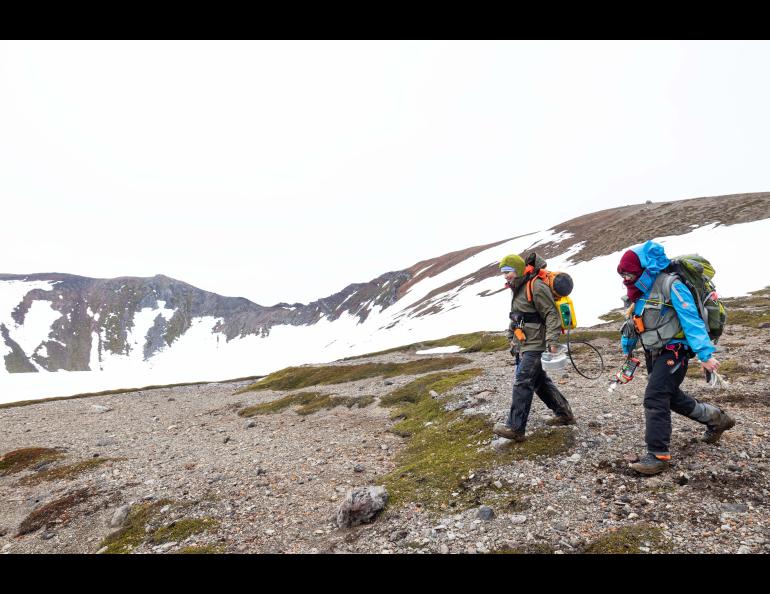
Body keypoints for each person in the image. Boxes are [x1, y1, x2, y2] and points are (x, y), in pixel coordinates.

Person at [616, 240, 735, 475]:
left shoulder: (671, 284)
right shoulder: (638, 292)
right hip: (654, 352)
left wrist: (705, 354)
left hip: (675, 351)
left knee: (655, 396)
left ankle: (658, 455)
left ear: (643, 268)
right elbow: (633, 323)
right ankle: (717, 419)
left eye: (628, 273)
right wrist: (627, 349)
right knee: (670, 397)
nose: (625, 278)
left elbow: (691, 319)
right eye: (622, 274)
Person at [493, 253, 575, 442]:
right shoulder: (518, 287)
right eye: (503, 273)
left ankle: (515, 428)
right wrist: (512, 337)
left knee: (523, 380)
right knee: (538, 381)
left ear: (518, 269)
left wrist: (552, 342)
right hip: (526, 342)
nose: (506, 276)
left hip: (537, 343)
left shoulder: (535, 286)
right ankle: (564, 414)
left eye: (508, 271)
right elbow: (517, 316)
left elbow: (551, 314)